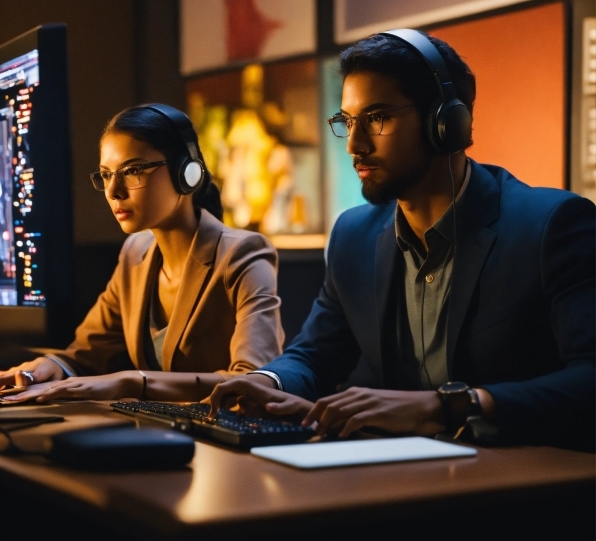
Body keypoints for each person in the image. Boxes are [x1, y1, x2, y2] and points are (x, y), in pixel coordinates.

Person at [209, 30, 595, 451]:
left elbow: (590, 377)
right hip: (400, 483)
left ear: (445, 123)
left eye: (377, 118)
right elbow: (314, 354)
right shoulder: (353, 236)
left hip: (524, 488)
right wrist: (266, 382)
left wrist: (449, 406)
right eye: (348, 121)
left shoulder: (551, 226)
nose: (355, 145)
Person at [0, 104, 283, 403]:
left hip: (221, 439)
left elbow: (253, 380)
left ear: (186, 172)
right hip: (157, 436)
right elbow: (86, 354)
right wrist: (47, 367)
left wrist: (134, 383)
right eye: (106, 175)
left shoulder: (243, 254)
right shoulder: (136, 253)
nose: (113, 191)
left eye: (132, 170)